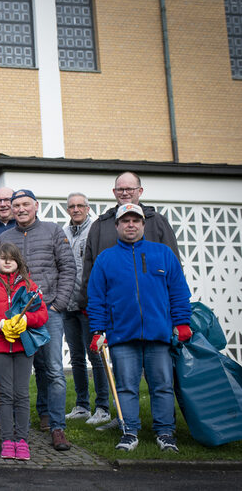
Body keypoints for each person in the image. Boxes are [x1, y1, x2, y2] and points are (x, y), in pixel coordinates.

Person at [87, 203, 192, 453]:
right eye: (126, 221)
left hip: (159, 335)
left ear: (144, 225)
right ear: (117, 226)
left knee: (162, 385)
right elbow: (96, 298)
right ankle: (129, 431)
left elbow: (178, 293)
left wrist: (182, 322)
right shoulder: (105, 259)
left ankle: (165, 432)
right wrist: (97, 330)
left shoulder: (163, 254)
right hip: (123, 336)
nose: (131, 225)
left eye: (136, 220)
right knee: (125, 386)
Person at [0, 189, 76, 451]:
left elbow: (67, 268)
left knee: (53, 369)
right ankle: (36, 416)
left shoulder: (53, 231)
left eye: (25, 204)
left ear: (36, 206)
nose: (20, 209)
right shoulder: (4, 237)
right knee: (30, 366)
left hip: (48, 310)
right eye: (15, 205)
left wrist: (58, 305)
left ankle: (56, 426)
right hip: (16, 316)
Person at [0, 242, 48, 461]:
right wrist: (1, 324)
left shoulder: (29, 285)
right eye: (3, 257)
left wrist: (26, 319)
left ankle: (22, 440)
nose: (7, 261)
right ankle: (7, 440)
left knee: (22, 394)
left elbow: (42, 315)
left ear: (19, 261)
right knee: (5, 394)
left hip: (24, 346)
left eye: (12, 258)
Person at [79, 171, 179, 309]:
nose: (125, 193)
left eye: (130, 189)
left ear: (140, 191)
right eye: (120, 189)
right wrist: (86, 303)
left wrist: (177, 310)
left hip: (155, 308)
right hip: (113, 310)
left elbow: (175, 269)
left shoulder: (158, 222)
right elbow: (89, 269)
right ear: (114, 192)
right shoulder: (100, 226)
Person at [61, 192, 110, 426]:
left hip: (89, 306)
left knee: (96, 356)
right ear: (67, 209)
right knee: (77, 357)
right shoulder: (64, 233)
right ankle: (82, 405)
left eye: (80, 205)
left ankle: (103, 406)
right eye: (72, 206)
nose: (76, 209)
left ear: (88, 208)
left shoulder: (96, 230)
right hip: (68, 305)